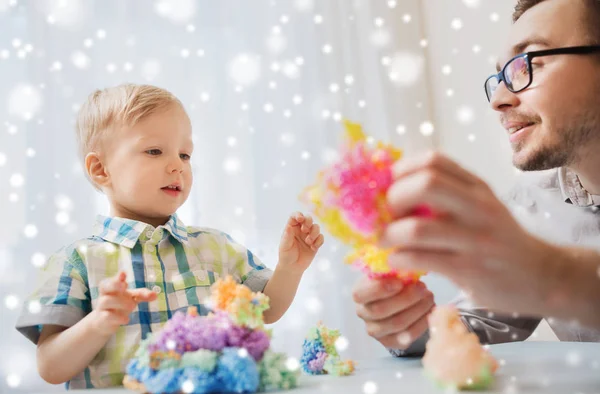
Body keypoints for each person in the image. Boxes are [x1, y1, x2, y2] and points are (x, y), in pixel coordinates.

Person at [15, 84, 325, 388]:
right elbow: (50, 368)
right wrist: (98, 323)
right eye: (154, 151)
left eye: (185, 154)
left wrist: (290, 268)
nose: (177, 165)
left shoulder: (215, 247)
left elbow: (267, 309)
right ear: (100, 169)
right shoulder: (77, 261)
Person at [352, 0, 600, 357]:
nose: (498, 99)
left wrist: (550, 273)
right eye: (500, 77)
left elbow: (539, 275)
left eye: (528, 63)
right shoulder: (534, 203)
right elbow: (476, 320)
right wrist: (412, 326)